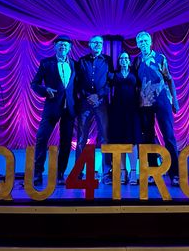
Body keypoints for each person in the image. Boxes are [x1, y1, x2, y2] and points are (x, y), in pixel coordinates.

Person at [133, 31, 180, 186]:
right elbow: (135, 84)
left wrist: (175, 102)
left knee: (169, 136)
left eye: (146, 40)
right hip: (144, 103)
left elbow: (169, 79)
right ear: (137, 44)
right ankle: (153, 173)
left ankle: (175, 174)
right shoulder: (137, 60)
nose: (143, 43)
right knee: (148, 138)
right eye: (141, 41)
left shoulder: (160, 58)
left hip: (162, 101)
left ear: (150, 42)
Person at [30, 35, 76, 186]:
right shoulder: (46, 63)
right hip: (52, 107)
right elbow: (35, 84)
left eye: (66, 45)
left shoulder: (74, 64)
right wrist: (45, 90)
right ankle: (37, 173)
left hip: (69, 109)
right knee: (42, 138)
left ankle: (60, 173)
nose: (63, 46)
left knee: (66, 142)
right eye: (60, 44)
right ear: (55, 46)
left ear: (69, 48)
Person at [75, 35, 114, 184]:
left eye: (100, 43)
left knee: (105, 137)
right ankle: (78, 173)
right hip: (85, 103)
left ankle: (106, 173)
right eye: (95, 42)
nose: (98, 44)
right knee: (81, 138)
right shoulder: (82, 61)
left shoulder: (107, 60)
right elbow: (77, 82)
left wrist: (98, 95)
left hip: (101, 103)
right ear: (89, 44)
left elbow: (110, 81)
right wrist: (87, 96)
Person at [108, 51, 142, 185]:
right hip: (117, 110)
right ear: (119, 61)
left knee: (132, 140)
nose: (124, 60)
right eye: (121, 58)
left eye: (126, 58)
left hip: (132, 110)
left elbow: (141, 88)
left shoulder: (135, 73)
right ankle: (123, 171)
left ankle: (133, 171)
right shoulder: (113, 74)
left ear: (129, 60)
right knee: (120, 141)